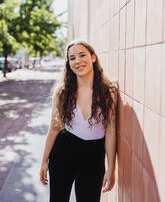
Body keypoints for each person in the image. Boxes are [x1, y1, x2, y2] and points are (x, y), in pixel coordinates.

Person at [40, 39, 118, 202]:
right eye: (72, 58)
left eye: (82, 55)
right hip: (63, 152)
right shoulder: (62, 92)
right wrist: (44, 161)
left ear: (93, 57)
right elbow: (54, 128)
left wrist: (111, 167)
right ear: (68, 63)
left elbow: (110, 130)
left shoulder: (109, 91)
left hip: (94, 156)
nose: (78, 61)